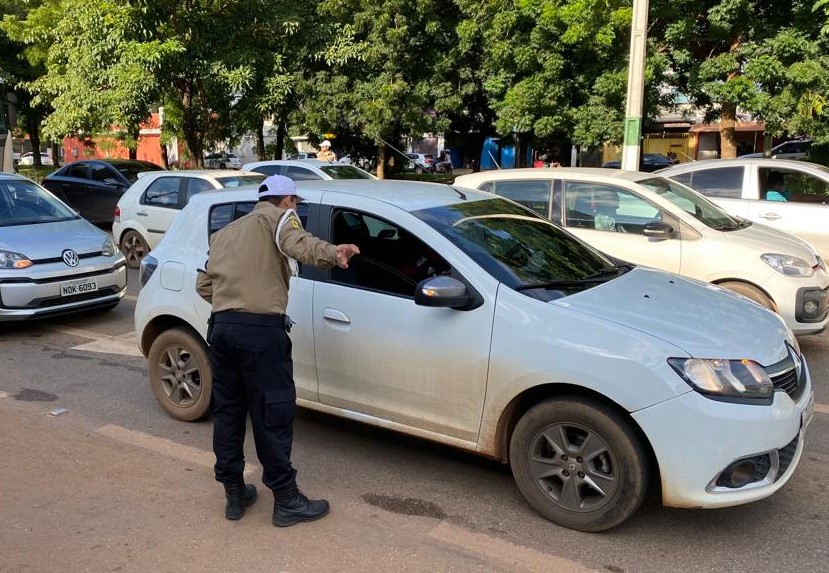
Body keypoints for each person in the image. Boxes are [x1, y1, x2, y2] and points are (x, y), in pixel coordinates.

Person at [196, 175, 360, 527]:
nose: (296, 208)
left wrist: (233, 303)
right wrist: (334, 253)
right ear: (287, 200)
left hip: (222, 330)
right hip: (260, 334)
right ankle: (286, 501)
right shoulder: (280, 218)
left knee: (228, 413)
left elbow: (203, 283)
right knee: (272, 413)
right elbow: (299, 243)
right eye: (296, 203)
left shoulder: (224, 233)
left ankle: (234, 494)